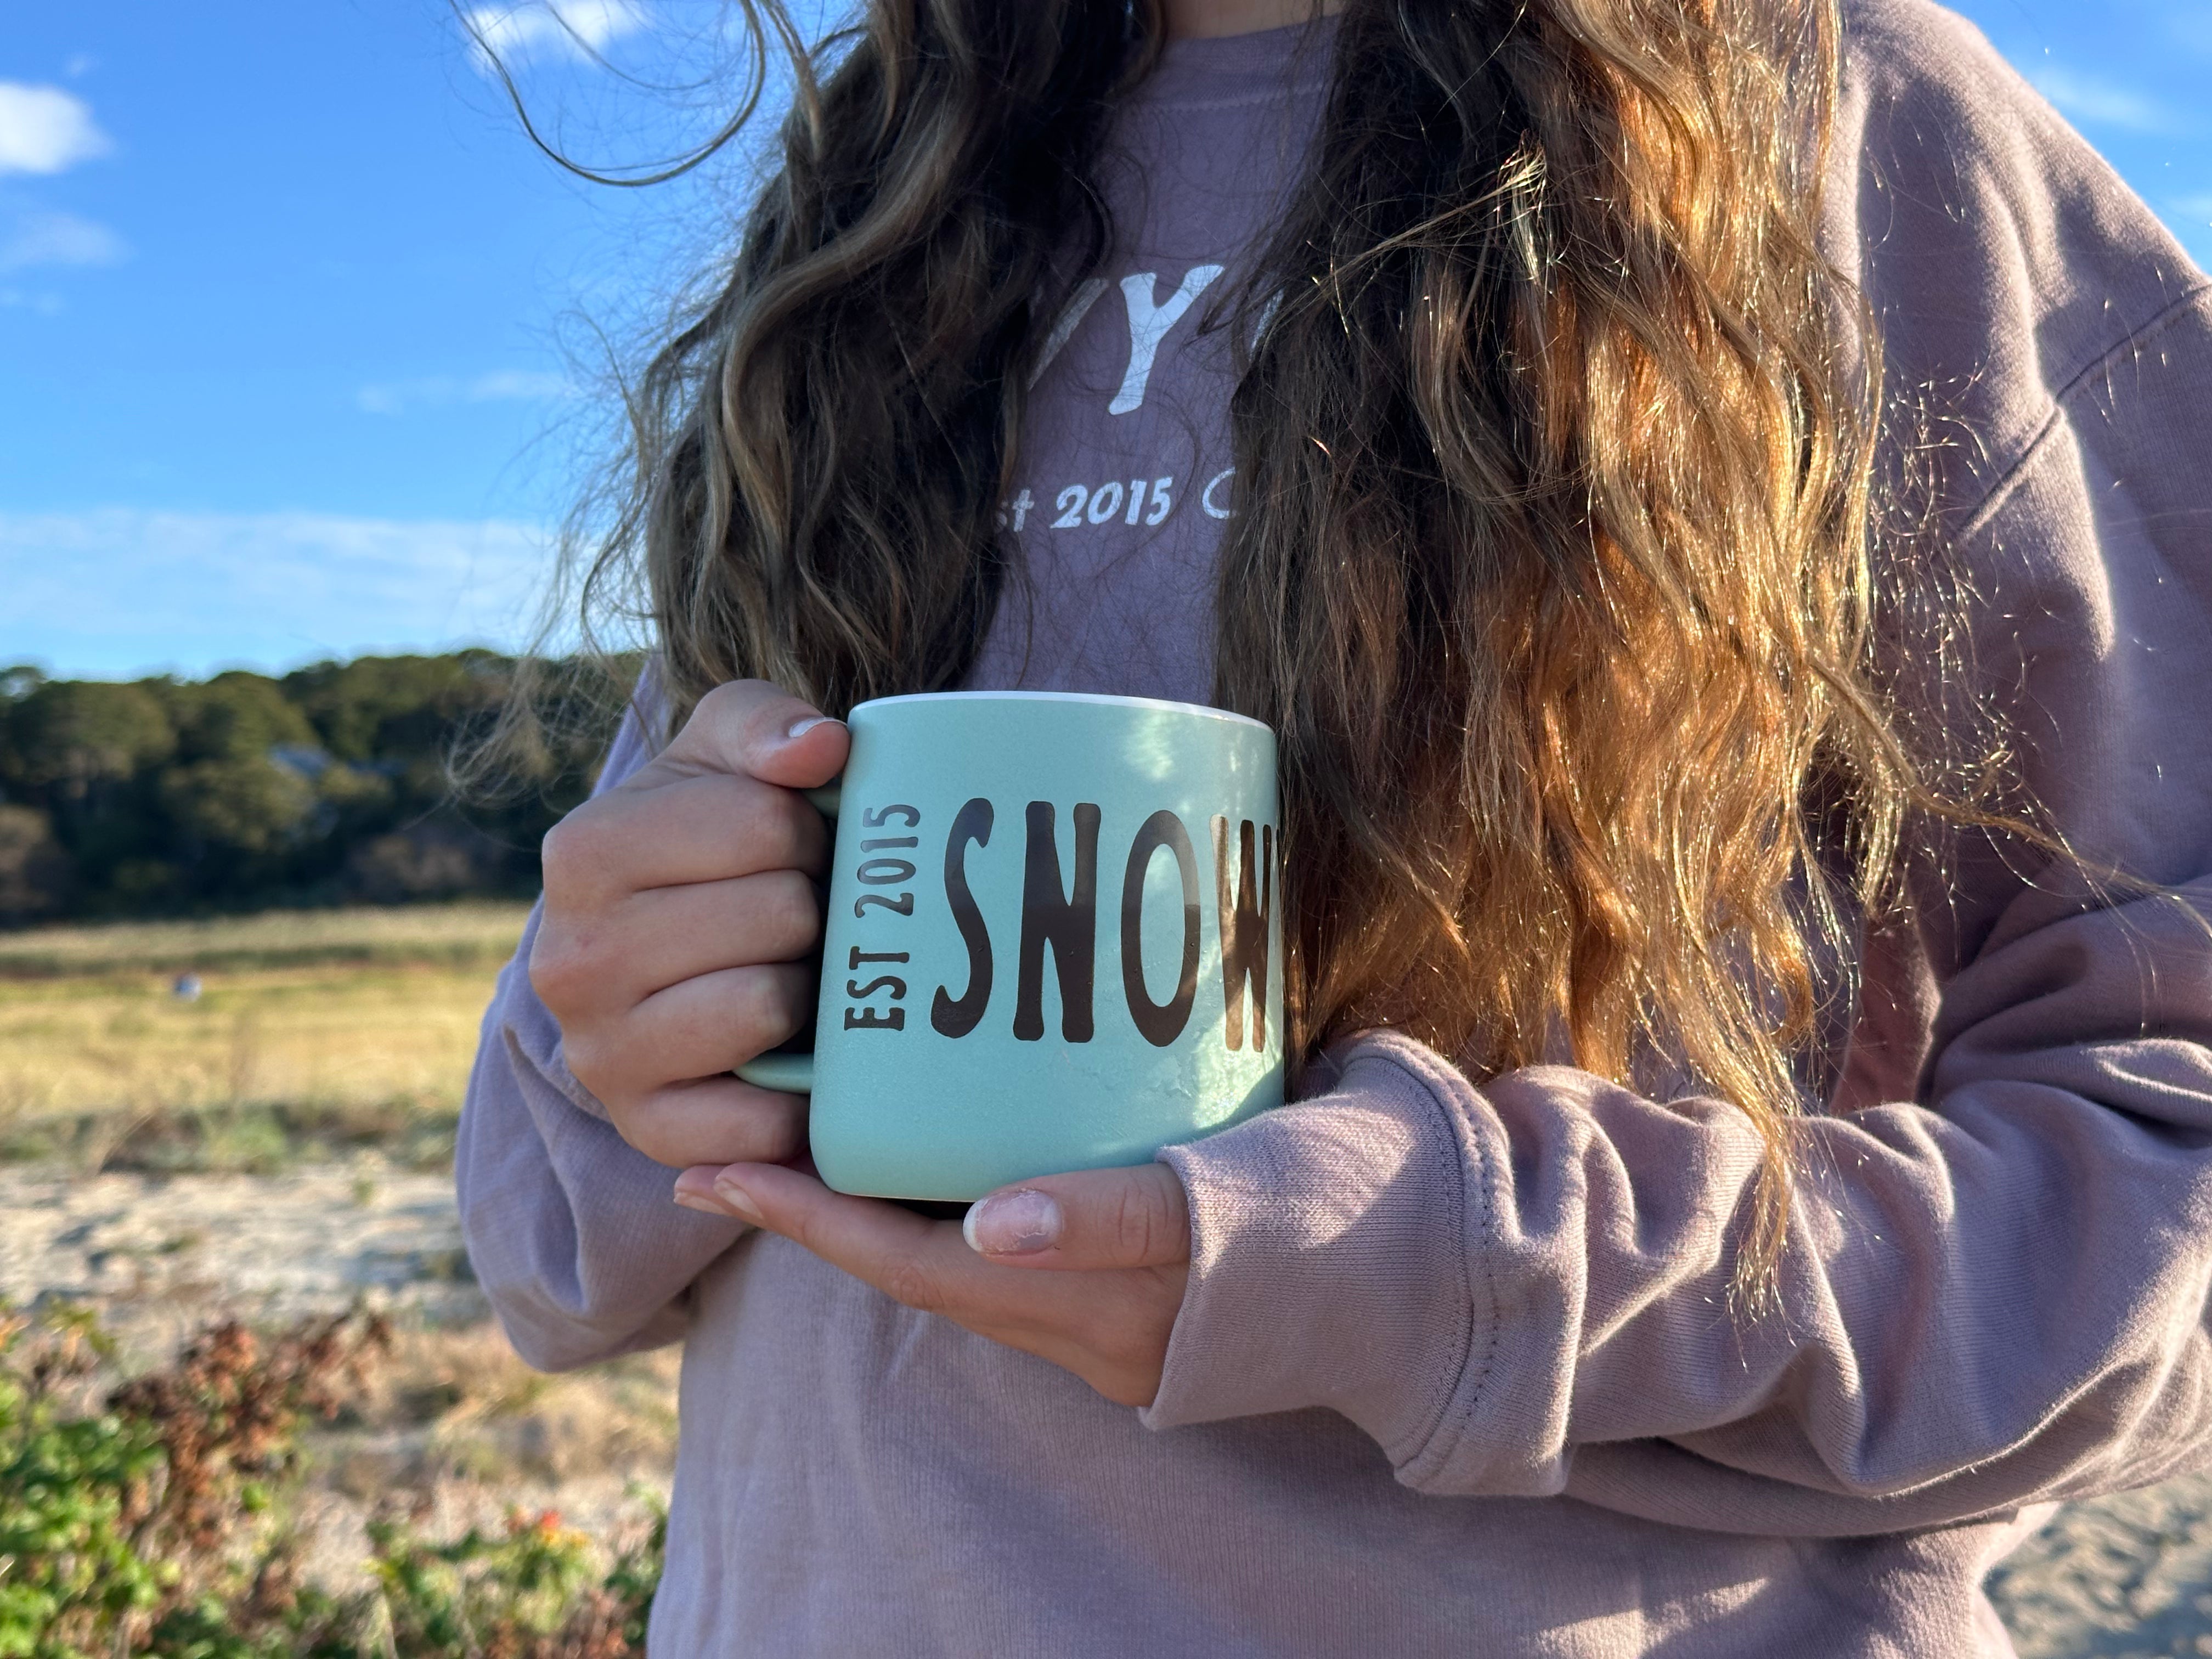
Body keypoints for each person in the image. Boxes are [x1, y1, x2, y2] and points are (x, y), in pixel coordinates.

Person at [454, 0, 2212, 1651]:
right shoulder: (876, 206)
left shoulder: (1854, 133)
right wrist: (628, 1028)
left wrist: (1446, 1276)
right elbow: (551, 1255)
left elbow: (2168, 1210)